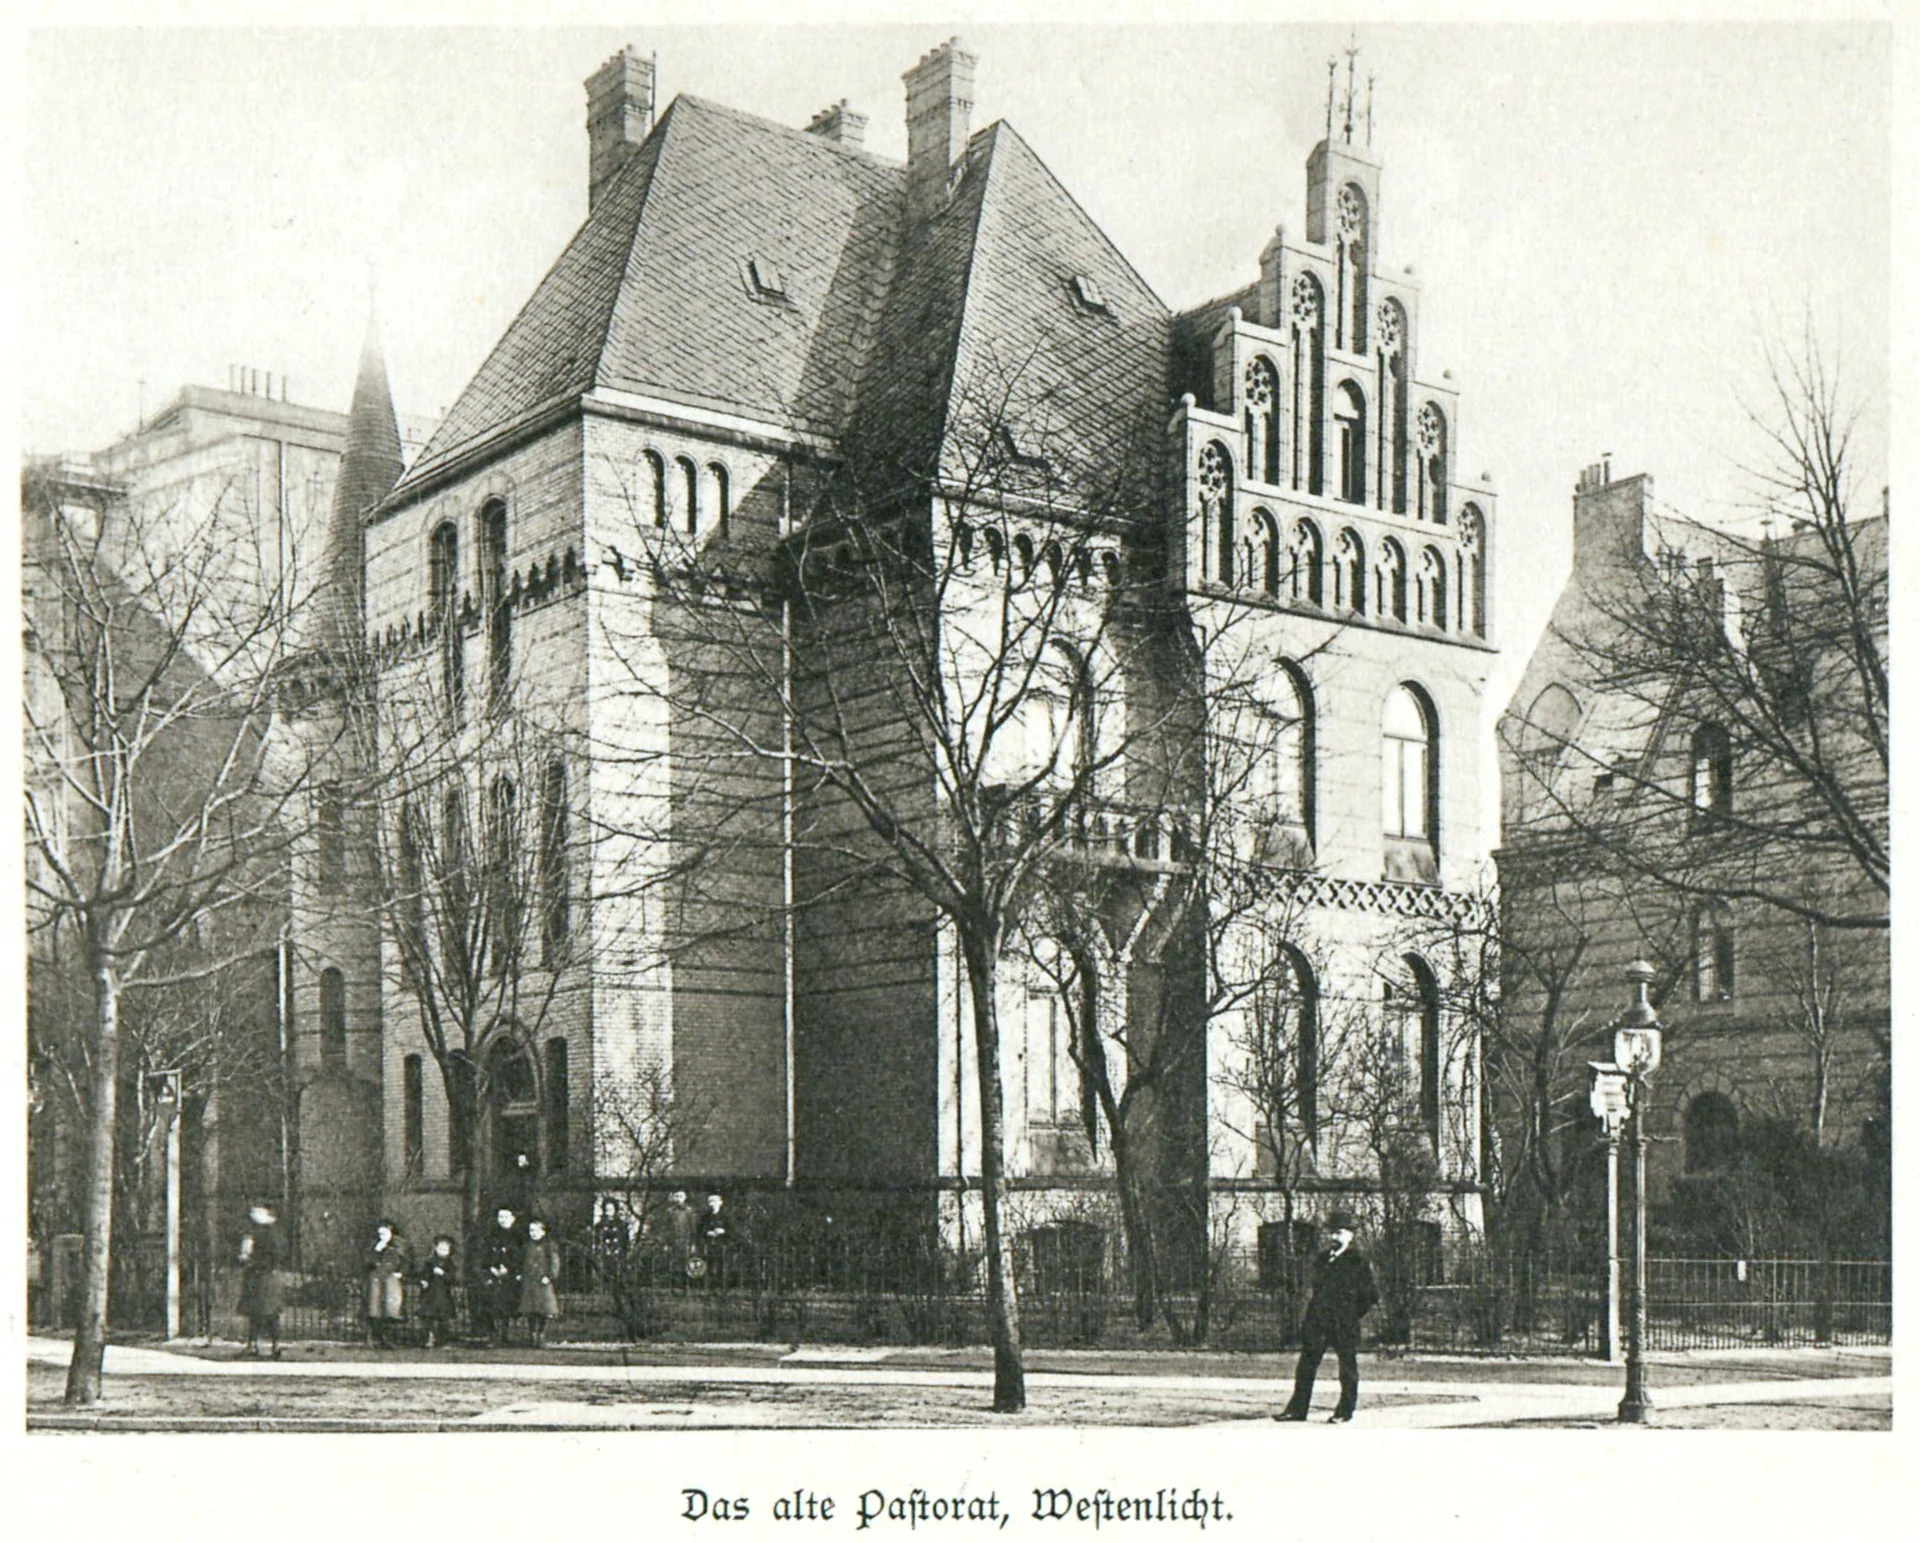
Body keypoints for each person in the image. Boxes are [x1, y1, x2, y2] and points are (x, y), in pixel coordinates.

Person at [1276, 1209, 1377, 1423]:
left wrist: (1349, 1314)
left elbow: (1369, 1296)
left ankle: (1344, 1411)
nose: (1334, 1237)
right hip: (1318, 1322)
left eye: (1339, 1233)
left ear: (1350, 1235)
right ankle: (1297, 1409)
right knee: (1306, 1366)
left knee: (1347, 1368)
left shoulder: (1357, 1261)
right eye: (1332, 1233)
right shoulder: (1322, 1260)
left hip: (1343, 1323)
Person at [236, 1202, 285, 1359]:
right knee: (266, 1313)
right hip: (266, 1276)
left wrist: (249, 1260)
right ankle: (268, 1345)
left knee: (261, 1312)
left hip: (262, 1276)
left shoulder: (264, 1234)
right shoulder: (273, 1233)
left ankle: (260, 1345)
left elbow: (268, 1257)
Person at [477, 1206, 522, 1346]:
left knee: (507, 1306)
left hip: (510, 1277)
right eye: (500, 1217)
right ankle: (493, 1335)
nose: (502, 1220)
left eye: (506, 1217)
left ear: (513, 1219)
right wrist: (492, 1268)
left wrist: (509, 1269)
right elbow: (485, 1254)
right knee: (491, 1305)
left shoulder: (518, 1236)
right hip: (494, 1275)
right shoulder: (492, 1235)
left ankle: (505, 1335)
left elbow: (521, 1256)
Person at [363, 1219, 410, 1348]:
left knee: (391, 1309)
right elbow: (367, 1262)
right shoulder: (375, 1246)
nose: (382, 1236)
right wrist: (376, 1251)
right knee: (375, 1309)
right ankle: (375, 1337)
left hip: (391, 1281)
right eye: (380, 1234)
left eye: (385, 1233)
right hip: (376, 1280)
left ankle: (388, 1338)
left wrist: (401, 1273)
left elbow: (406, 1262)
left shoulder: (399, 1246)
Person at [520, 1218, 562, 1347]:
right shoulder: (527, 1245)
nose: (533, 1233)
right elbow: (522, 1261)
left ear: (543, 1232)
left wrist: (549, 1276)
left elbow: (554, 1262)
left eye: (536, 1230)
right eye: (531, 1230)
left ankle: (541, 1334)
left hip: (542, 1281)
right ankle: (532, 1335)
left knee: (544, 1310)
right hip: (529, 1280)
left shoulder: (549, 1245)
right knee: (530, 1310)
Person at [417, 1235, 459, 1349]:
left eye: (445, 1250)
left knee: (443, 1319)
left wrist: (443, 1274)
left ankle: (442, 1340)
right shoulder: (429, 1262)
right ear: (435, 1248)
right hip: (430, 1294)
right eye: (440, 1249)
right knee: (428, 1318)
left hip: (444, 1295)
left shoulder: (450, 1264)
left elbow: (453, 1278)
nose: (443, 1252)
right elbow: (423, 1274)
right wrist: (424, 1281)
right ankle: (428, 1338)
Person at [696, 1193, 730, 1287]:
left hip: (722, 1244)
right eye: (710, 1201)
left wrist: (723, 1231)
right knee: (708, 1264)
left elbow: (733, 1230)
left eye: (715, 1201)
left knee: (722, 1265)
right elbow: (700, 1229)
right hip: (709, 1244)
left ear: (720, 1202)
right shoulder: (705, 1216)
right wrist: (707, 1232)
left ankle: (722, 1287)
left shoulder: (726, 1215)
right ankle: (709, 1287)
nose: (712, 1204)